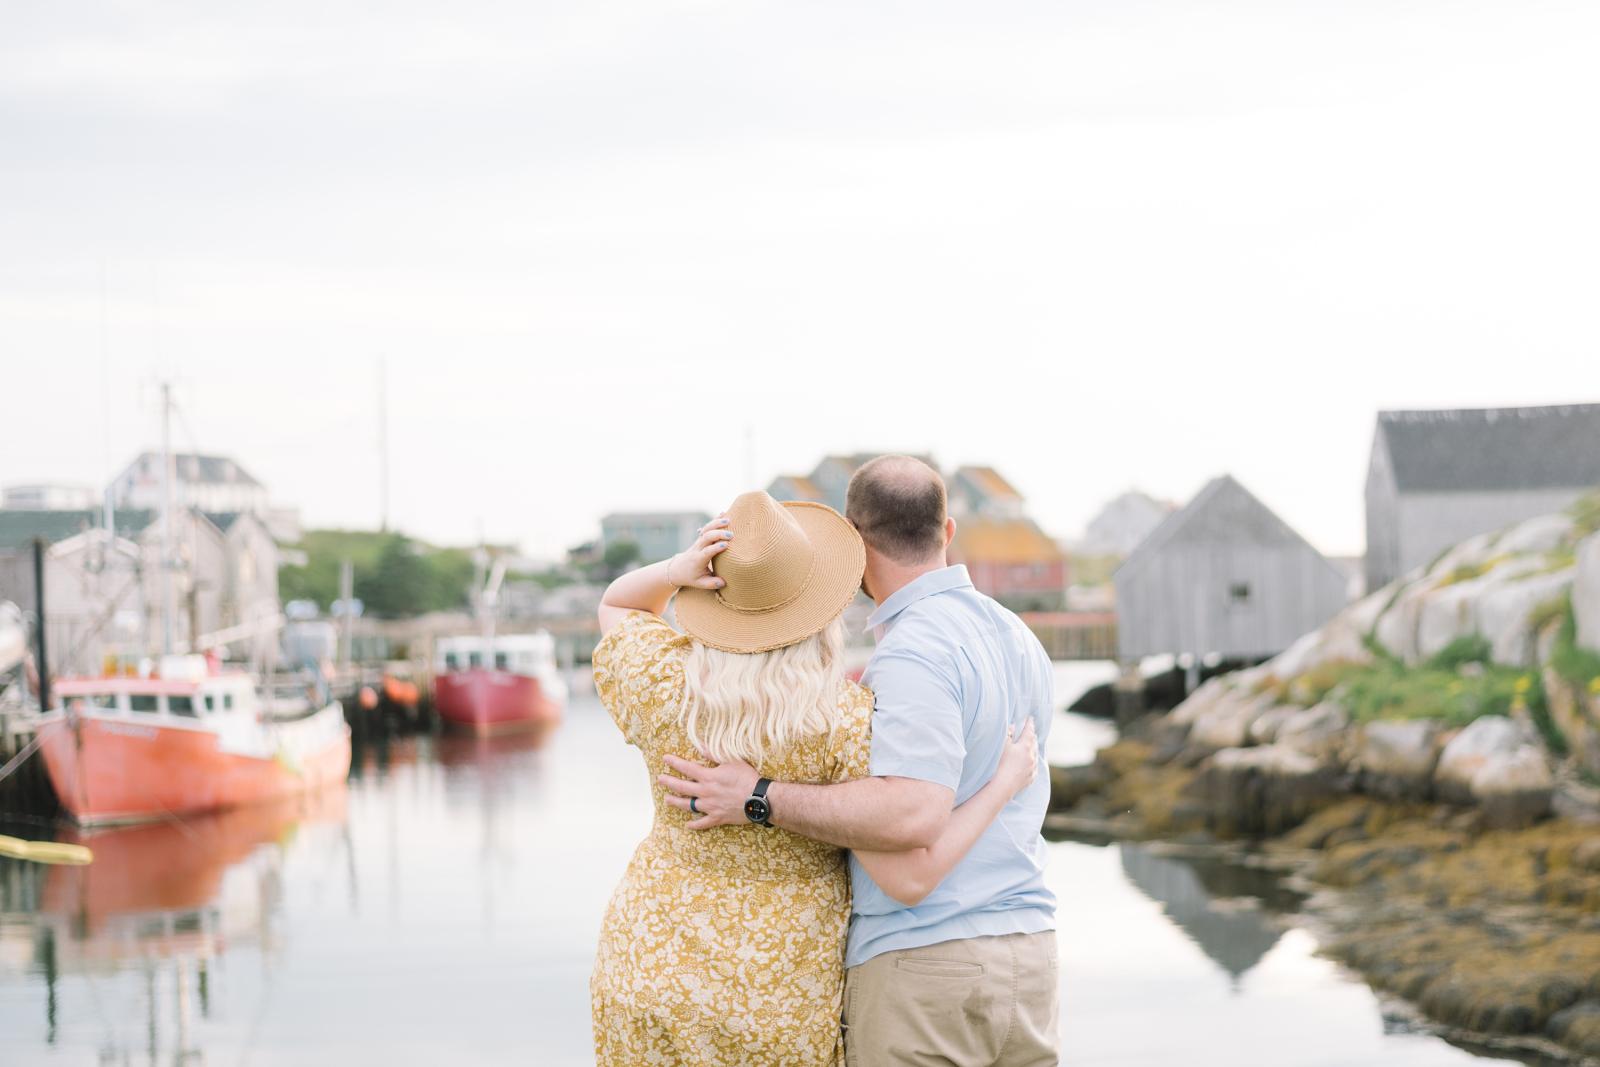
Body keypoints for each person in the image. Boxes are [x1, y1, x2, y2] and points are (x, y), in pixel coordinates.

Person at [590, 489, 1039, 1066]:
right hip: (778, 983)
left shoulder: (661, 682)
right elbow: (903, 856)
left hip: (649, 956)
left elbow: (618, 607)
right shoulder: (844, 722)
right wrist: (1004, 782)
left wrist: (677, 570)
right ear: (818, 609)